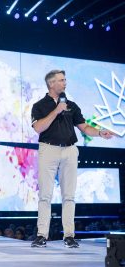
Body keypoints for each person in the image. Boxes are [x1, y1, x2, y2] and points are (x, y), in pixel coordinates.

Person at [30, 69, 113, 248]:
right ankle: (41, 235)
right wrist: (56, 110)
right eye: (61, 80)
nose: (65, 83)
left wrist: (100, 133)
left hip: (69, 150)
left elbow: (84, 127)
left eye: (65, 80)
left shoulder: (72, 105)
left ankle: (69, 235)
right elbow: (38, 128)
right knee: (45, 195)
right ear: (51, 84)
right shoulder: (39, 105)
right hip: (48, 149)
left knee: (69, 196)